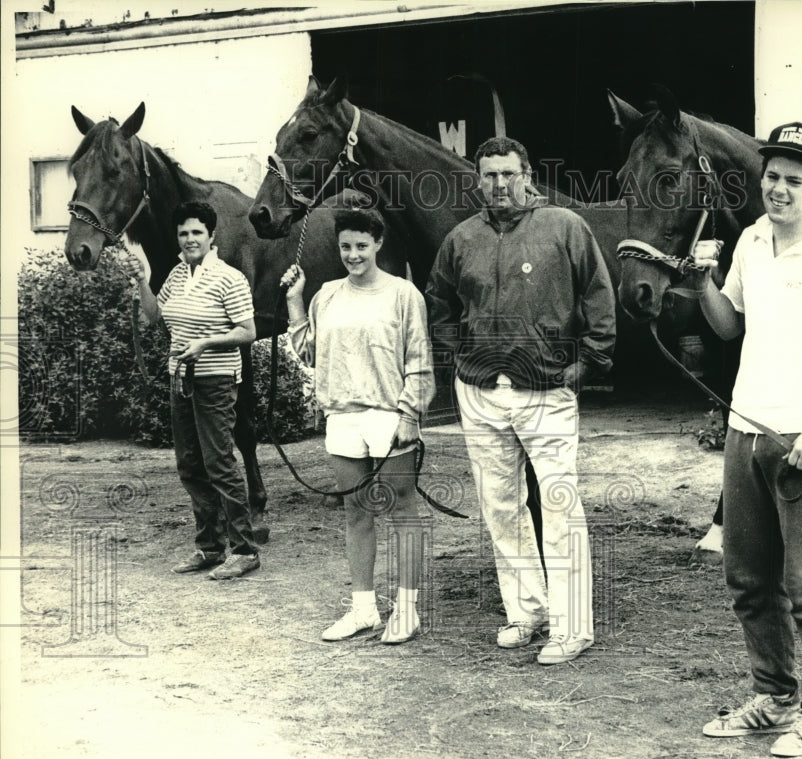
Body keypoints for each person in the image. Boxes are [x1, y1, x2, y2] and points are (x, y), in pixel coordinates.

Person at [692, 122, 802, 756]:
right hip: (746, 429)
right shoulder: (749, 240)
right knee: (748, 578)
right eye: (772, 176)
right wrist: (703, 281)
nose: (780, 189)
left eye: (795, 180)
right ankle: (775, 696)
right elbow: (726, 327)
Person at [425, 136, 616, 665]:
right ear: (477, 180)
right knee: (500, 504)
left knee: (557, 502)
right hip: (481, 391)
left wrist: (585, 365)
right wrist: (458, 359)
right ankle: (526, 611)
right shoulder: (461, 239)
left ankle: (573, 626)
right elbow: (438, 301)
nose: (499, 185)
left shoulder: (564, 227)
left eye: (509, 174)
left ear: (527, 173)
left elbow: (599, 297)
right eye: (489, 175)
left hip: (547, 387)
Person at [283, 208, 434, 644]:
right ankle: (364, 609)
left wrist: (410, 414)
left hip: (390, 415)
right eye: (346, 246)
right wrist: (295, 299)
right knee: (357, 511)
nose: (353, 255)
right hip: (343, 417)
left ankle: (407, 610)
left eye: (361, 246)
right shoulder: (326, 295)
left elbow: (420, 360)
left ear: (378, 244)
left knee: (403, 511)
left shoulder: (404, 294)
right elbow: (310, 354)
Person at [124, 200, 261, 579]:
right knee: (189, 465)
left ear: (211, 235)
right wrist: (142, 280)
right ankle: (210, 547)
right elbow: (154, 315)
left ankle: (245, 550)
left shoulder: (229, 278)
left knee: (219, 463)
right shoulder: (177, 274)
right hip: (179, 378)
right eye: (183, 233)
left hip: (215, 380)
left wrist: (205, 343)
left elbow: (247, 331)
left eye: (196, 232)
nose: (189, 239)